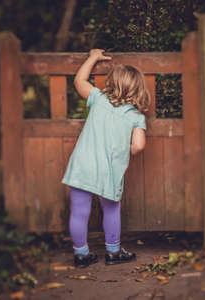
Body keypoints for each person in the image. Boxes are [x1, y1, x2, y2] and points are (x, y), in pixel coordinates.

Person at [62, 49, 149, 268]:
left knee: (79, 212)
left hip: (82, 165)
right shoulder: (136, 116)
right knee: (111, 209)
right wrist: (124, 148)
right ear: (138, 88)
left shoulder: (98, 99)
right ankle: (113, 252)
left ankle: (81, 255)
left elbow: (79, 80)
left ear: (112, 83)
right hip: (109, 169)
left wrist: (93, 57)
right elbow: (138, 146)